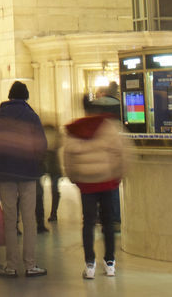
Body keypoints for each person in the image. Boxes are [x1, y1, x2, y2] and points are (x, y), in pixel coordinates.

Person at [0, 81, 47, 279]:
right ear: (26, 97)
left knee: (9, 219)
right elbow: (41, 145)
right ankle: (30, 264)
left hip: (4, 174)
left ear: (9, 97)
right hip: (28, 173)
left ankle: (11, 265)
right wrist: (36, 164)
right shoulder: (31, 116)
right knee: (29, 220)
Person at [64, 95, 127, 279]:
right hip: (107, 182)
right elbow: (121, 153)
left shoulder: (75, 129)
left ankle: (89, 265)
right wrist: (117, 176)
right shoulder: (109, 127)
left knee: (88, 223)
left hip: (87, 185)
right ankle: (110, 264)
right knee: (108, 223)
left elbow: (68, 157)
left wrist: (75, 177)